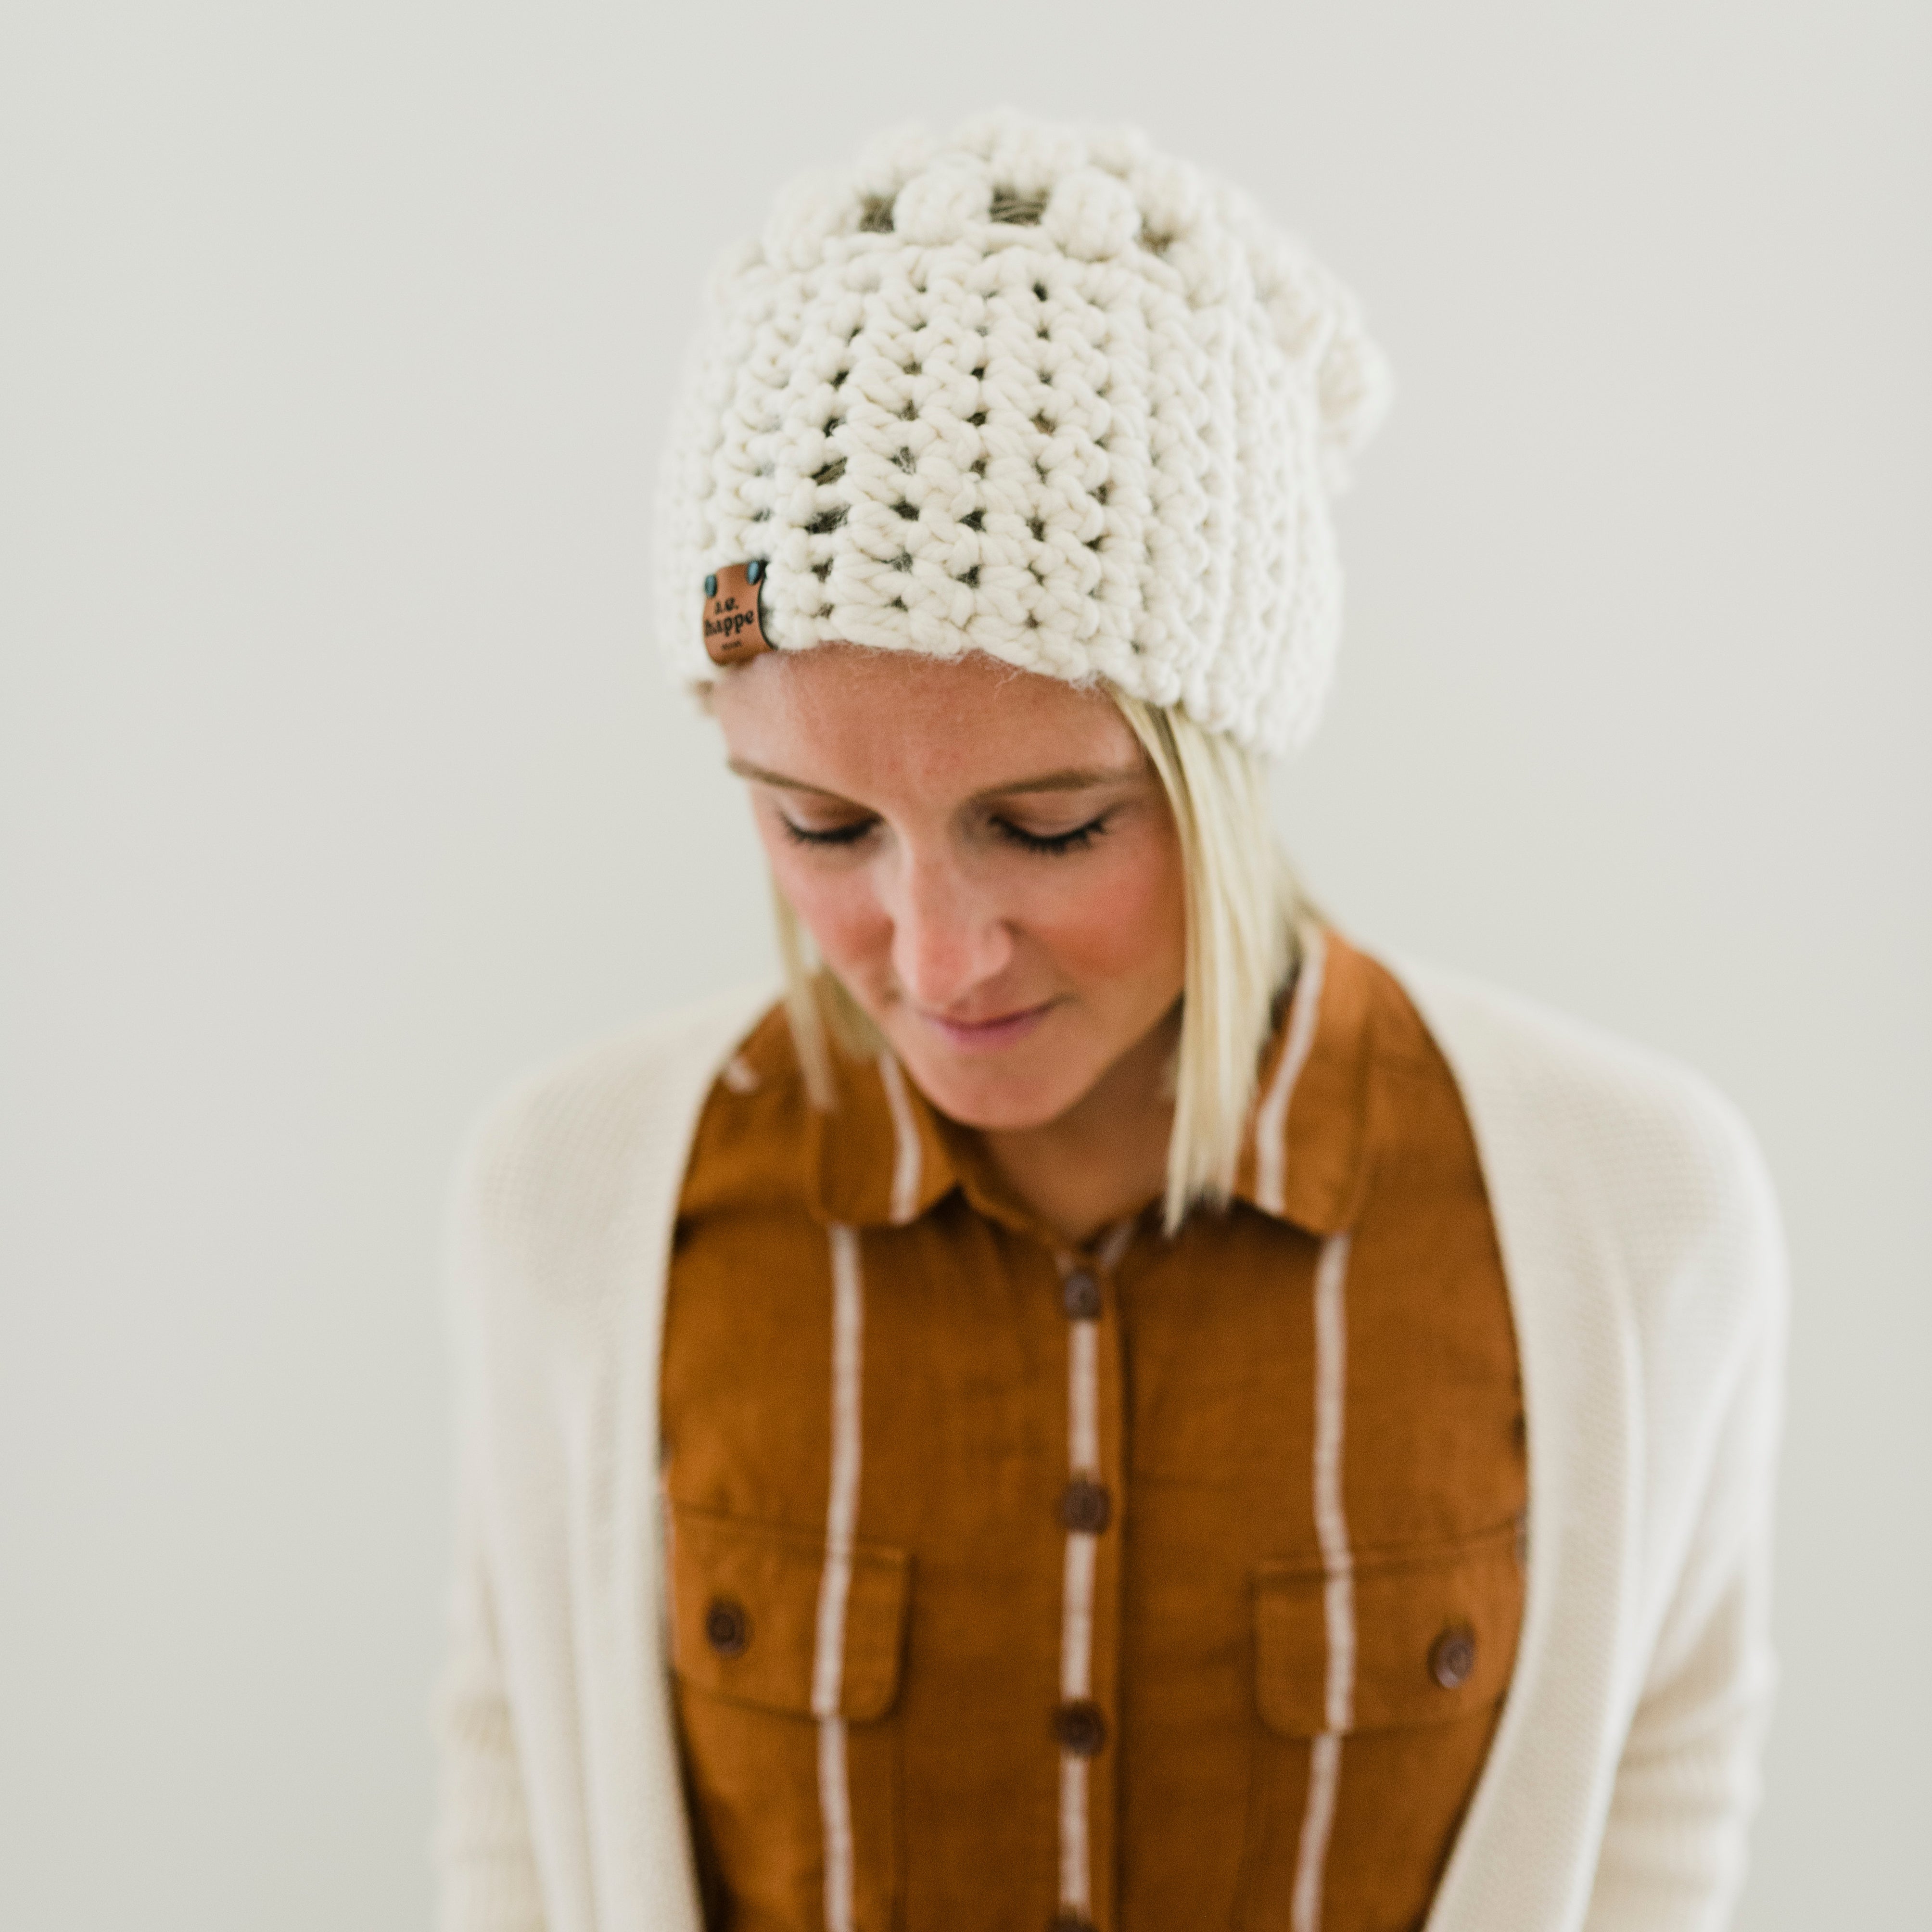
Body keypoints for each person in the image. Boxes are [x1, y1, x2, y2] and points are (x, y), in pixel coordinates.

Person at [434, 114, 1785, 1932]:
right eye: (821, 827)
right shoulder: (566, 1211)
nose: (934, 956)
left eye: (1050, 827)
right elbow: (520, 1806)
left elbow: (1660, 1794)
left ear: (1224, 778)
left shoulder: (1639, 1220)